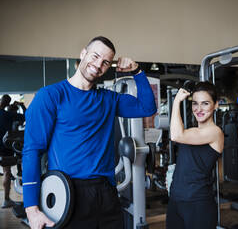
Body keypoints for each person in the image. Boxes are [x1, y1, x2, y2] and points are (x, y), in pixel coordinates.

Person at [22, 36, 157, 229]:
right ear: (83, 54)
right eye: (95, 56)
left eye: (105, 63)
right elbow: (32, 151)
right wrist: (32, 209)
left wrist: (137, 72)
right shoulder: (51, 95)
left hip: (106, 193)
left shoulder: (109, 99)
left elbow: (147, 108)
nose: (98, 65)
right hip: (68, 193)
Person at [166, 82, 224, 229]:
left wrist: (177, 101)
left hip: (198, 203)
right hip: (176, 199)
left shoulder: (215, 132)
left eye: (205, 104)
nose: (198, 109)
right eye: (195, 104)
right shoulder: (191, 132)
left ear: (216, 105)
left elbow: (176, 135)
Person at [0, 95, 25, 208]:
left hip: (4, 146)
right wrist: (21, 105)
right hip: (4, 146)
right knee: (6, 172)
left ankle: (6, 200)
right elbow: (26, 115)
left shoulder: (7, 114)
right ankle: (6, 200)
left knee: (6, 172)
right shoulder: (8, 115)